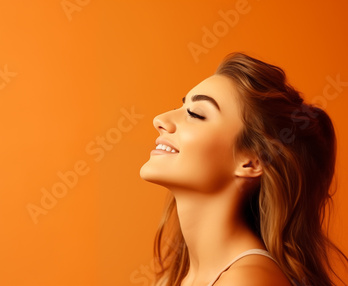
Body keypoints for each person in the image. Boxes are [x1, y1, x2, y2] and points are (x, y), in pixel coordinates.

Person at [139, 52, 347, 286]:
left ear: (251, 162)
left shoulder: (248, 281)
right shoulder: (175, 278)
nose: (160, 119)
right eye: (183, 105)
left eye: (195, 114)